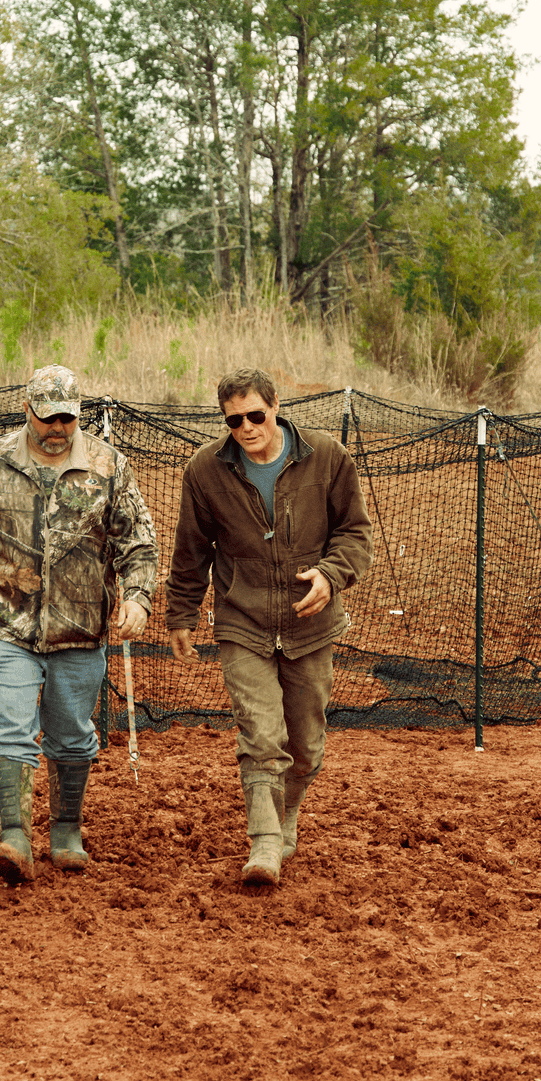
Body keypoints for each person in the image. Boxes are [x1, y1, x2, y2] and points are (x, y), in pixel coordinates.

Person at [0, 364, 158, 883]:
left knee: (72, 734)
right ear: (26, 410)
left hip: (79, 628)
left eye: (67, 419)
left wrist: (137, 597)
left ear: (79, 415)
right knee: (9, 724)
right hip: (3, 623)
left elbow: (137, 542)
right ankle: (15, 835)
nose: (57, 428)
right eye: (47, 417)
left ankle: (66, 830)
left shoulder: (108, 466)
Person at [166, 366, 371, 885]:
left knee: (305, 744)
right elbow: (191, 549)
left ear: (276, 406)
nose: (247, 428)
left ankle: (286, 818)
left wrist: (330, 575)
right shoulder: (205, 470)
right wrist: (182, 614)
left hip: (311, 625)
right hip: (243, 621)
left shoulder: (327, 457)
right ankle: (264, 845)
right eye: (234, 421)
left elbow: (355, 535)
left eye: (256, 415)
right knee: (262, 735)